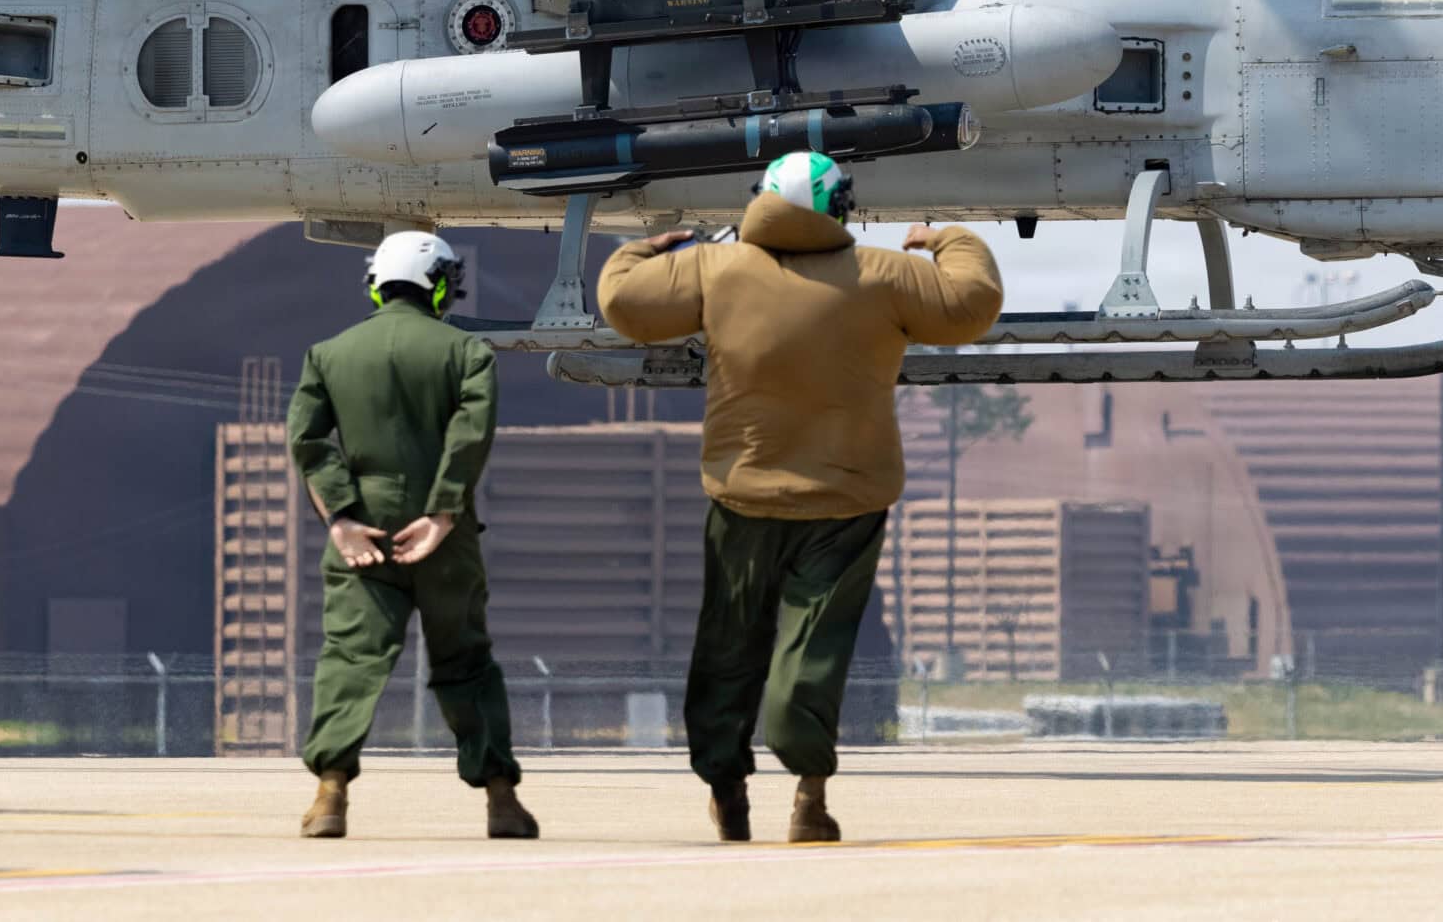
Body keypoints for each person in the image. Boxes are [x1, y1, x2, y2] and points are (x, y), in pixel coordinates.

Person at [597, 153, 1004, 845]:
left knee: (728, 648)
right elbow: (972, 305)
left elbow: (623, 303)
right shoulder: (888, 274)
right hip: (846, 502)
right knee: (814, 651)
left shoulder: (713, 271)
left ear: (760, 202)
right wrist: (947, 238)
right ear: (840, 206)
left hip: (743, 495)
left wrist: (644, 246)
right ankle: (809, 795)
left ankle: (726, 787)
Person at [285, 231, 535, 841]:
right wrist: (443, 511)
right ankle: (502, 802)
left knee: (350, 658)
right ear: (442, 284)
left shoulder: (329, 353)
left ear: (376, 282)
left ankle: (330, 797)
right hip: (443, 534)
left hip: (363, 529)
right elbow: (470, 434)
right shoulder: (467, 351)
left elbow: (309, 442)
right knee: (467, 661)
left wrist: (342, 519)